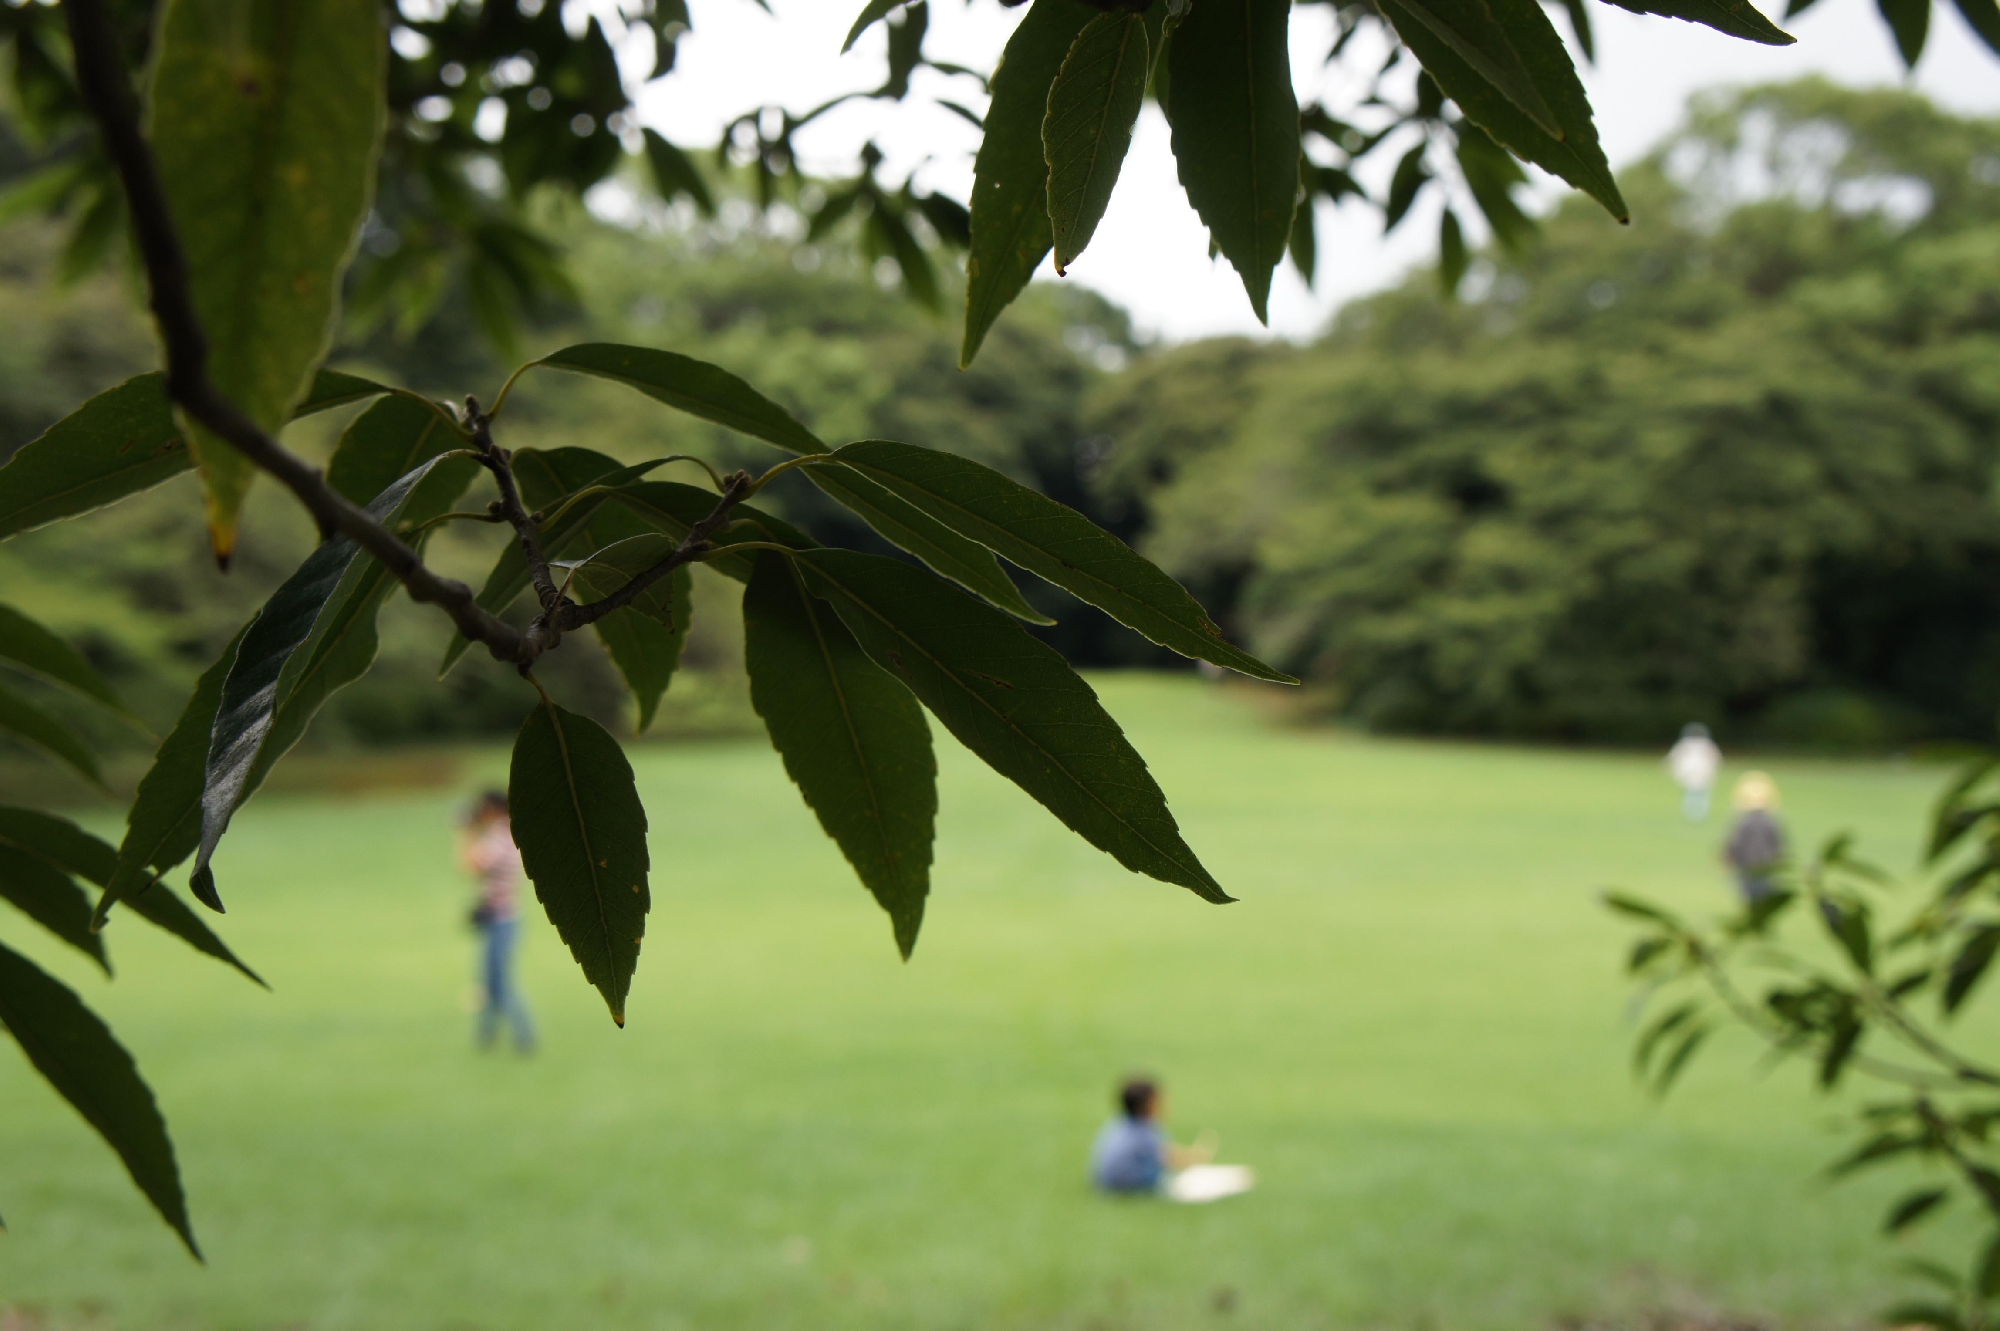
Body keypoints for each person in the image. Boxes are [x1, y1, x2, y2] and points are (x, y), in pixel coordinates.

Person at [458, 790, 535, 1053]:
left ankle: (524, 1036)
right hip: (500, 917)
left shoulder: (502, 836)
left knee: (499, 985)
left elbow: (472, 866)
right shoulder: (511, 834)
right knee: (490, 983)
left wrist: (465, 833)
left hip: (501, 919)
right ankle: (486, 1038)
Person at [1089, 1076, 1216, 1195]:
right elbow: (1171, 1159)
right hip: (1124, 1184)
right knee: (1162, 1174)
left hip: (1103, 1181)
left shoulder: (1117, 1124)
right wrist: (1198, 1156)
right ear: (1148, 1104)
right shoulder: (1144, 1132)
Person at [1723, 771, 1787, 904]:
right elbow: (1778, 845)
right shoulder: (1771, 821)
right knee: (1763, 897)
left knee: (1750, 898)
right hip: (1765, 867)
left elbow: (1734, 843)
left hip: (1746, 867)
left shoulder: (1742, 821)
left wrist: (1727, 857)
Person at [1665, 722, 1723, 822]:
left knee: (1692, 793)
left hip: (1694, 772)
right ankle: (1697, 814)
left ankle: (1693, 814)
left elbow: (1673, 757)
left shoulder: (1687, 744)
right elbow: (1716, 758)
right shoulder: (1705, 744)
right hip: (1701, 772)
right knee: (1699, 794)